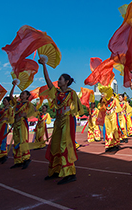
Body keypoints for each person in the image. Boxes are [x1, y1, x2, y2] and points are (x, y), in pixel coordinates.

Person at [39, 57, 83, 185]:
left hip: (68, 121)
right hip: (58, 121)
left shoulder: (72, 93)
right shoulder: (57, 93)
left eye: (60, 79)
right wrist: (44, 65)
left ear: (67, 82)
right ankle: (56, 170)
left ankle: (69, 173)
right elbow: (48, 81)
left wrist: (69, 110)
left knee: (65, 145)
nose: (58, 81)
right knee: (55, 145)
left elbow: (76, 108)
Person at [8, 81, 36, 169]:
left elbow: (35, 110)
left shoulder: (28, 104)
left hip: (23, 123)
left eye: (23, 94)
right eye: (21, 94)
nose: (21, 95)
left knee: (23, 140)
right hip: (16, 124)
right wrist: (14, 85)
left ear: (27, 96)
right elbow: (11, 96)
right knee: (16, 141)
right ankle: (18, 160)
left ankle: (26, 158)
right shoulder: (17, 104)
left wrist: (26, 115)